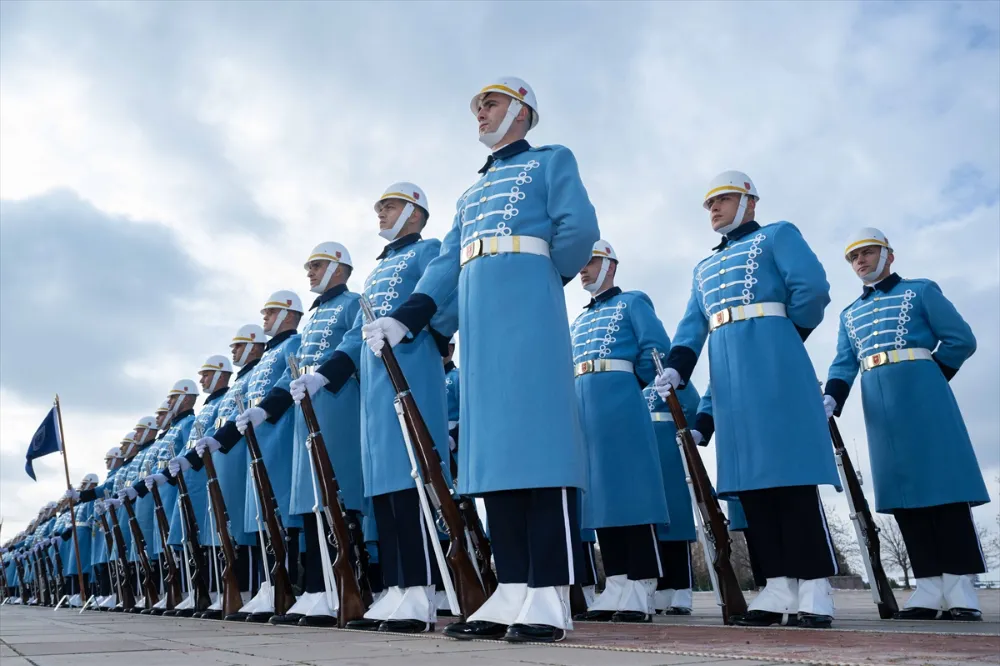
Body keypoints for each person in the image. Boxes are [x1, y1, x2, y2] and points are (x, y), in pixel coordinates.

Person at [360, 77, 599, 644]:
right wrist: (410, 316)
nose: (480, 114)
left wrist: (537, 280)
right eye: (478, 107)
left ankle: (549, 590)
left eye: (490, 104)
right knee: (494, 452)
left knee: (540, 442)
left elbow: (578, 230)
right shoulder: (469, 195)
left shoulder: (550, 160)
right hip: (479, 321)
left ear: (521, 110)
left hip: (528, 308)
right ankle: (513, 583)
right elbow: (446, 263)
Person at [655, 170, 839, 628]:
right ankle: (776, 582)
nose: (714, 209)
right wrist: (678, 366)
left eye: (724, 199)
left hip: (775, 362)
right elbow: (693, 324)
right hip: (729, 376)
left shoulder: (778, 235)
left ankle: (814, 585)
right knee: (752, 483)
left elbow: (812, 290)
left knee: (790, 475)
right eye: (709, 204)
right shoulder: (703, 268)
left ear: (750, 202)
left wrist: (782, 335)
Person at [303, 182, 456, 633]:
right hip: (373, 380)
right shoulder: (376, 272)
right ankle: (397, 586)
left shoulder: (429, 250)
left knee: (413, 476)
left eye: (388, 206)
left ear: (414, 211)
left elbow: (443, 299)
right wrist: (324, 375)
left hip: (410, 367)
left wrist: (432, 334)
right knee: (385, 486)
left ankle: (422, 589)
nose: (381, 214)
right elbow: (355, 336)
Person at [824, 227, 989, 621]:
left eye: (867, 253)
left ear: (889, 256)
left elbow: (960, 339)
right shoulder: (850, 314)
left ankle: (960, 587)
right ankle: (929, 585)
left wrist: (931, 377)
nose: (860, 261)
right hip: (879, 406)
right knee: (904, 494)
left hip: (925, 397)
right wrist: (832, 395)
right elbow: (844, 361)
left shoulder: (920, 291)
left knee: (943, 488)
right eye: (854, 258)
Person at [570, 239, 671, 624]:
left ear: (610, 264)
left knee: (632, 494)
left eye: (591, 262)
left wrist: (643, 400)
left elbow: (655, 351)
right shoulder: (578, 320)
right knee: (600, 500)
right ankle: (615, 582)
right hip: (586, 411)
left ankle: (641, 585)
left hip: (623, 405)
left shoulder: (633, 301)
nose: (584, 269)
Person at [265, 242, 364, 627]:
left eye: (317, 265)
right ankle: (317, 591)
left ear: (338, 268)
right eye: (308, 266)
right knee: (309, 501)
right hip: (306, 410)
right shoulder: (312, 318)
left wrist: (325, 376)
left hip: (337, 402)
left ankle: (345, 586)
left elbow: (353, 347)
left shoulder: (353, 302)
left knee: (335, 496)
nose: (309, 271)